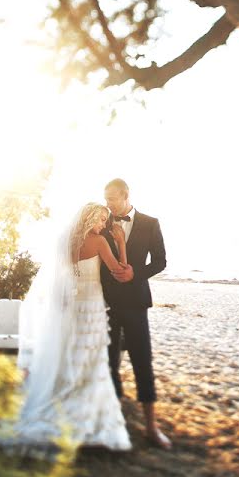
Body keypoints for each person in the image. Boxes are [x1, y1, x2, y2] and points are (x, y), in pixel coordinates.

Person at [0, 202, 132, 453]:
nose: (103, 225)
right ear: (91, 218)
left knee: (66, 357)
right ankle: (83, 419)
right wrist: (122, 244)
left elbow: (57, 279)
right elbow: (119, 271)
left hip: (68, 308)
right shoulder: (100, 242)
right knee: (90, 362)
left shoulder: (64, 242)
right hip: (91, 307)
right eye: (101, 220)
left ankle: (60, 410)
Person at [101, 178, 171, 450]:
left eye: (112, 199)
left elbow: (161, 261)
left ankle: (151, 427)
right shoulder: (101, 224)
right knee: (109, 364)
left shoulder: (150, 223)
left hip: (136, 303)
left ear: (126, 195)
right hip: (106, 303)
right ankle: (112, 424)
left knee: (143, 361)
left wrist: (135, 274)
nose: (108, 204)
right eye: (105, 199)